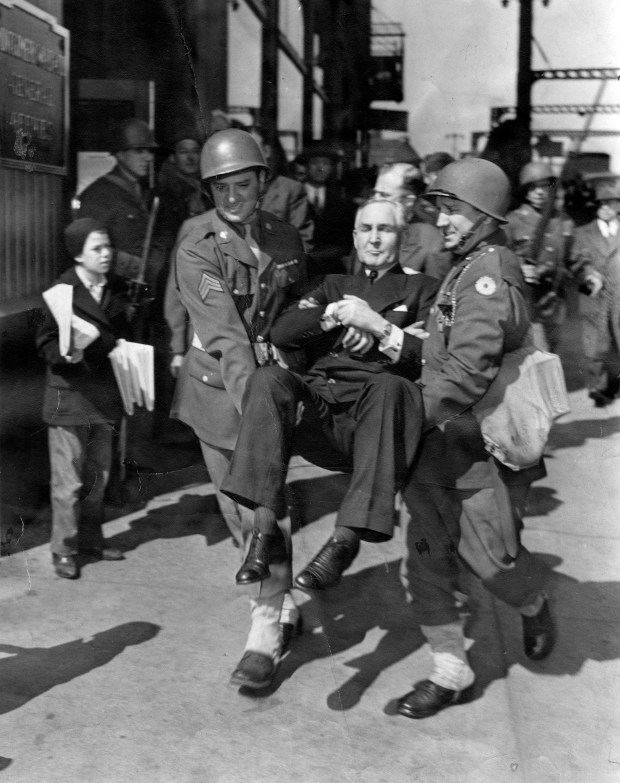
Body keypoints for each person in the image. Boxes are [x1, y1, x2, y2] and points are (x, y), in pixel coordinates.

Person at [395, 158, 555, 720]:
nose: (441, 219)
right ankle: (449, 668)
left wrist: (405, 412)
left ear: (484, 216)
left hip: (479, 451)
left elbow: (466, 371)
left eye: (452, 209)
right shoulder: (468, 265)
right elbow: (452, 346)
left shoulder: (488, 275)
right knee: (424, 558)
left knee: (494, 563)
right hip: (440, 448)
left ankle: (533, 601)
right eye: (439, 207)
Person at [220, 198, 439, 592]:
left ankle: (345, 540)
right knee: (269, 378)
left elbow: (429, 358)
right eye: (367, 230)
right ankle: (262, 532)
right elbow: (283, 331)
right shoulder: (332, 285)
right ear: (354, 237)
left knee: (392, 385)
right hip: (321, 415)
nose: (374, 239)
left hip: (375, 424)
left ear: (402, 237)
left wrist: (374, 325)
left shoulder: (424, 289)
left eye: (385, 230)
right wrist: (334, 315)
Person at [172, 128, 309, 690]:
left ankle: (268, 618)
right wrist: (260, 412)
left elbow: (298, 308)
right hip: (222, 395)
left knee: (268, 506)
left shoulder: (285, 236)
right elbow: (227, 336)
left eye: (242, 183)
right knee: (245, 511)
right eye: (220, 187)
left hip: (273, 386)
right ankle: (273, 607)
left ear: (262, 182)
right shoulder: (196, 246)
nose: (232, 197)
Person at [37, 219, 128, 579]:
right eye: (97, 249)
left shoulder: (117, 289)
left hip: (104, 395)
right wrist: (66, 354)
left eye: (108, 247)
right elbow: (44, 343)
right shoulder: (61, 292)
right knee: (68, 482)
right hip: (69, 396)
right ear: (78, 254)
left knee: (98, 476)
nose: (106, 254)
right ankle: (63, 549)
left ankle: (92, 539)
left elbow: (124, 332)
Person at [505, 161, 572, 352]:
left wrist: (589, 274)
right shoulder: (513, 221)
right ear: (525, 192)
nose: (539, 192)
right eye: (533, 188)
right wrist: (519, 267)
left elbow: (575, 256)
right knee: (537, 353)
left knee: (553, 352)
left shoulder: (562, 221)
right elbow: (498, 256)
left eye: (544, 187)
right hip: (528, 301)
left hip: (555, 302)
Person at [568, 179, 620, 406]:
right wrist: (588, 273)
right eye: (601, 204)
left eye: (611, 203)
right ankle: (598, 388)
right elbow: (576, 260)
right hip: (594, 295)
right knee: (595, 344)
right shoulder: (583, 232)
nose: (606, 208)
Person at [364, 161, 452, 280]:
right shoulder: (364, 228)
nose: (375, 200)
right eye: (374, 193)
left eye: (384, 195)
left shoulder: (433, 242)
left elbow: (437, 295)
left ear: (408, 201)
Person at [301, 142, 356, 277]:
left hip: (331, 271)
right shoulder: (293, 196)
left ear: (331, 168)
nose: (320, 168)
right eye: (315, 163)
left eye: (325, 164)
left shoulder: (342, 202)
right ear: (306, 166)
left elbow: (346, 240)